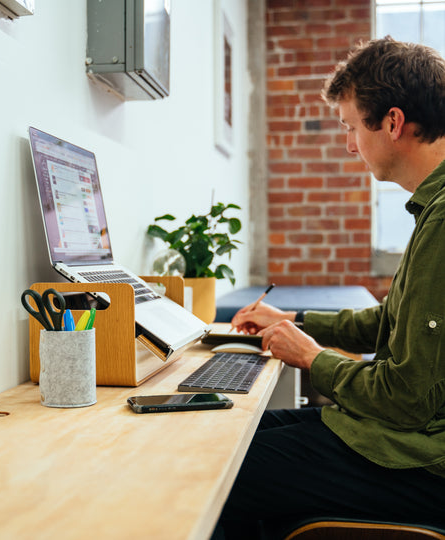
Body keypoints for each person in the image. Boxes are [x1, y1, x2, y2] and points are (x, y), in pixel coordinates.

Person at [212, 36, 445, 539]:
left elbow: (408, 399)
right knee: (227, 435)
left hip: (423, 462)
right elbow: (387, 323)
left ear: (393, 122)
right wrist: (292, 324)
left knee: (216, 471)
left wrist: (315, 358)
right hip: (410, 440)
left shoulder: (444, 219)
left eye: (350, 127)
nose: (347, 144)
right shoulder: (432, 209)